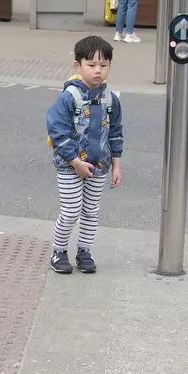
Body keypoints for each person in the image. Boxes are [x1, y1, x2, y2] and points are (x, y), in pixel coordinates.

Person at [45, 35, 124, 276]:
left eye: (104, 65)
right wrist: (75, 161)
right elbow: (57, 131)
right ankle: (58, 251)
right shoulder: (70, 96)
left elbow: (116, 132)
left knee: (91, 211)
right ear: (78, 66)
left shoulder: (111, 98)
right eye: (91, 65)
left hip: (99, 165)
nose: (98, 71)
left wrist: (116, 165)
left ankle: (85, 251)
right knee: (70, 210)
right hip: (71, 166)